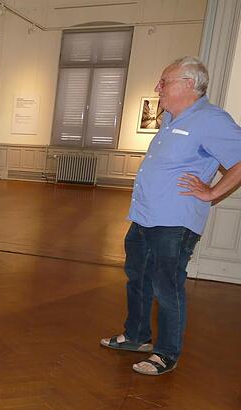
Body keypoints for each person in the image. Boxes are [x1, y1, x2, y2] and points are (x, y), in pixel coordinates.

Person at [100, 56, 241, 375]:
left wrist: (213, 192)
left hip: (174, 223)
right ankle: (137, 337)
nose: (157, 88)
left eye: (164, 82)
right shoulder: (173, 118)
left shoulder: (211, 119)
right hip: (144, 217)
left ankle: (166, 353)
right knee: (137, 278)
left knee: (167, 286)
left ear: (188, 85)